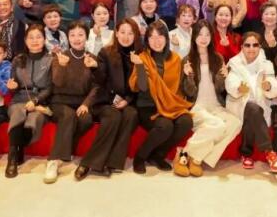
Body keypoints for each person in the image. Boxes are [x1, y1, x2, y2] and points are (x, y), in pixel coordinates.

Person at [44, 21, 105, 184]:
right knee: (69, 116)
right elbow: (57, 83)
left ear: (87, 37)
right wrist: (62, 66)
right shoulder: (60, 56)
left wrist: (86, 104)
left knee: (86, 119)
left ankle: (67, 147)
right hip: (59, 101)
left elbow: (96, 86)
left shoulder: (91, 58)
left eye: (80, 35)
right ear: (68, 37)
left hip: (80, 102)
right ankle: (53, 160)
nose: (77, 39)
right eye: (72, 35)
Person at [128, 21, 194, 174]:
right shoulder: (142, 58)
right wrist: (139, 66)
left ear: (166, 38)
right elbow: (141, 87)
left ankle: (157, 156)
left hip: (169, 104)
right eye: (151, 37)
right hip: (148, 106)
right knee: (165, 126)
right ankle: (140, 157)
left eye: (160, 37)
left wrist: (188, 76)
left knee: (186, 121)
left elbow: (177, 88)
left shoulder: (175, 59)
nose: (156, 41)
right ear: (147, 40)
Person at [178, 20, 241, 176]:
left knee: (236, 123)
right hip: (196, 107)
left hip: (215, 106)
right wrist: (189, 76)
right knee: (217, 125)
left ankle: (196, 158)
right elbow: (189, 92)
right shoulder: (187, 59)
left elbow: (220, 89)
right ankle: (184, 156)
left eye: (207, 34)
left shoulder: (218, 58)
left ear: (212, 37)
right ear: (194, 36)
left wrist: (223, 77)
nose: (204, 38)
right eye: (200, 34)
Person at [225, 32, 277, 173]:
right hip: (239, 103)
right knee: (252, 109)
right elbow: (230, 81)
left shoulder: (266, 64)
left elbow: (272, 82)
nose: (251, 48)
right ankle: (269, 152)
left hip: (260, 104)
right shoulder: (234, 62)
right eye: (247, 45)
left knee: (254, 112)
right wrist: (238, 88)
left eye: (255, 45)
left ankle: (246, 154)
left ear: (260, 47)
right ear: (242, 47)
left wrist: (269, 86)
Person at [4, 25, 54, 178]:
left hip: (41, 101)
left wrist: (36, 101)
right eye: (31, 37)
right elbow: (14, 86)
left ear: (44, 39)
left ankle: (20, 146)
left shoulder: (51, 60)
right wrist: (12, 87)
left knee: (34, 118)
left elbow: (50, 88)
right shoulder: (18, 60)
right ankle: (12, 158)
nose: (35, 41)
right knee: (18, 113)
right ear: (25, 41)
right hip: (19, 99)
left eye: (38, 37)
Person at [94, 18, 142, 172]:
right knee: (113, 116)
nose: (126, 37)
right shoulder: (106, 52)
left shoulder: (140, 54)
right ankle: (92, 163)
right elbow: (100, 82)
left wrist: (127, 100)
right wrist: (94, 68)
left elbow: (141, 86)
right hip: (107, 100)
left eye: (130, 33)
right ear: (116, 33)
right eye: (122, 32)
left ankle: (114, 162)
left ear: (135, 35)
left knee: (131, 115)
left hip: (130, 101)